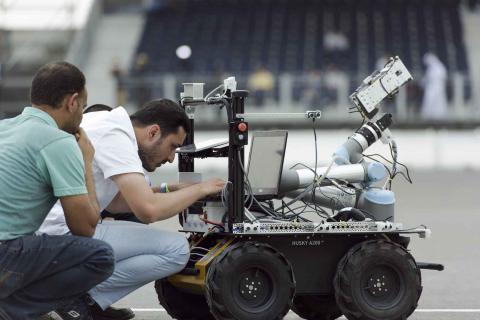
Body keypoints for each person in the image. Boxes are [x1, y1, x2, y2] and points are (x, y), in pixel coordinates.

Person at [38, 99, 225, 319]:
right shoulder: (116, 137)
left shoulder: (106, 123)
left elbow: (120, 203)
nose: (171, 157)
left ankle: (84, 297)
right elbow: (148, 210)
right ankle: (82, 297)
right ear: (153, 132)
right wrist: (201, 189)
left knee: (138, 224)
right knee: (177, 250)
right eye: (173, 146)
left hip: (46, 231)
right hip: (58, 235)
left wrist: (173, 190)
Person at [0, 62, 115, 319]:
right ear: (72, 102)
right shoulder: (60, 142)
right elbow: (84, 228)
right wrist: (86, 160)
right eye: (84, 107)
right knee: (100, 255)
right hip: (4, 253)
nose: (82, 115)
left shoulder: (4, 128)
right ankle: (14, 310)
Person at [421, 53, 449, 120]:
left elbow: (443, 77)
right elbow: (426, 78)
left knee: (438, 103)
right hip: (431, 88)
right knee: (429, 101)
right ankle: (427, 117)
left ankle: (439, 117)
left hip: (438, 88)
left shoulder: (439, 67)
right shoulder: (431, 68)